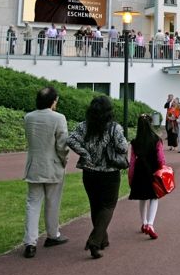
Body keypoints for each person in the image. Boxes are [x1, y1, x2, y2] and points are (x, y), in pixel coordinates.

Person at [67, 95, 129, 259]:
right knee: (108, 206)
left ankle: (103, 239)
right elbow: (123, 147)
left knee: (96, 205)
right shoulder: (114, 128)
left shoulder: (84, 126)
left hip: (89, 172)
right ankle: (94, 241)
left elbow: (71, 140)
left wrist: (85, 153)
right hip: (109, 172)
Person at [22, 86, 69, 258]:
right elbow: (62, 145)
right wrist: (64, 160)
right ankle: (52, 235)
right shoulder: (59, 118)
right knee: (52, 202)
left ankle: (30, 242)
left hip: (34, 166)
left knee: (32, 204)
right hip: (53, 166)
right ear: (53, 101)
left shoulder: (29, 117)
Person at [128, 114, 165, 242]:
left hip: (139, 172)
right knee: (154, 197)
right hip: (153, 171)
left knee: (142, 197)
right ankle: (150, 224)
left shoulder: (135, 142)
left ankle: (144, 223)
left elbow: (132, 162)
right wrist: (162, 169)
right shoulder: (156, 140)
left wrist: (131, 176)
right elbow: (161, 159)